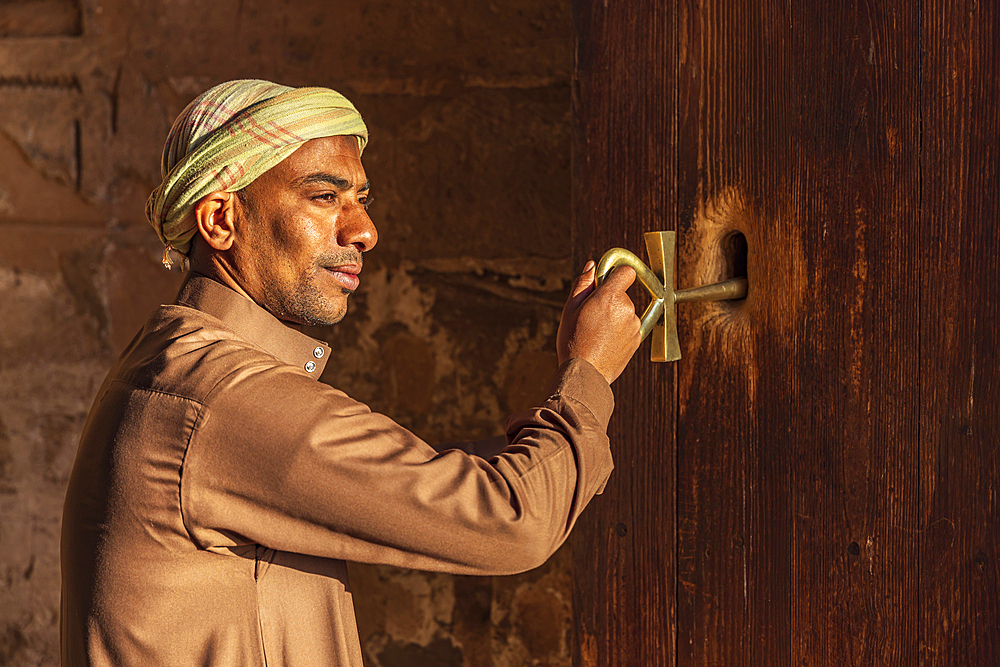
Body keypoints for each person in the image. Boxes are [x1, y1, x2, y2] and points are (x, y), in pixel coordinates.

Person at [60, 79, 640, 666]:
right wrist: (587, 372)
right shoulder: (221, 398)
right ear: (220, 219)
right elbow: (513, 521)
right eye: (324, 197)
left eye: (363, 199)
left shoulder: (176, 368)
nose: (363, 231)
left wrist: (548, 443)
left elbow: (419, 487)